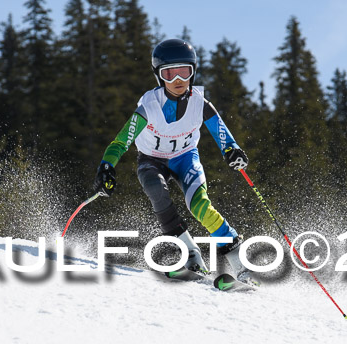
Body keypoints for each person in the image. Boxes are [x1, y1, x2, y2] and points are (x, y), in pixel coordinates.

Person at [92, 38, 253, 283]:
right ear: (159, 76)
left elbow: (221, 132)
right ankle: (191, 256)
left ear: (193, 72)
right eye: (169, 74)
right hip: (151, 160)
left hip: (185, 158)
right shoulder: (149, 106)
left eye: (183, 72)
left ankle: (242, 267)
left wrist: (232, 151)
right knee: (157, 191)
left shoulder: (199, 102)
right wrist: (107, 166)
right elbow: (120, 142)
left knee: (200, 207)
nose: (177, 81)